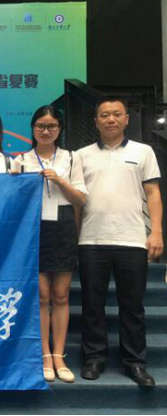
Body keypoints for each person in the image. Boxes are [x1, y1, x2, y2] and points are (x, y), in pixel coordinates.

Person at [77, 97, 163, 388]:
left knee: (132, 306)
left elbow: (153, 194)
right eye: (104, 115)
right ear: (96, 121)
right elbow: (76, 201)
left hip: (133, 239)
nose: (110, 119)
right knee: (92, 304)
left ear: (126, 119)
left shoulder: (144, 151)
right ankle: (93, 358)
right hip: (91, 239)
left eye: (116, 114)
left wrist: (157, 232)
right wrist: (75, 235)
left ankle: (135, 362)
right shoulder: (81, 155)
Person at [16, 105, 87, 383]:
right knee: (42, 295)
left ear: (59, 129)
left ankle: (59, 355)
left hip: (64, 227)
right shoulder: (21, 160)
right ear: (33, 129)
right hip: (34, 230)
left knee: (61, 295)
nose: (46, 131)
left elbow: (80, 198)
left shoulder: (71, 158)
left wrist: (59, 180)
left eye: (52, 126)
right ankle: (44, 354)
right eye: (40, 126)